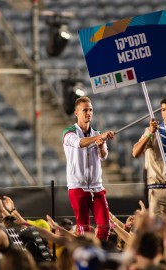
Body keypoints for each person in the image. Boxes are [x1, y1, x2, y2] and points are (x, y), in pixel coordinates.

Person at [62, 96, 115, 240]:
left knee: (105, 226)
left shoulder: (96, 133)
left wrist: (101, 144)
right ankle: (85, 255)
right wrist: (101, 137)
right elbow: (79, 143)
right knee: (84, 229)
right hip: (78, 186)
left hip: (97, 186)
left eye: (91, 110)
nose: (89, 113)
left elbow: (103, 156)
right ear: (76, 113)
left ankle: (99, 253)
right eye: (85, 110)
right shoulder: (69, 132)